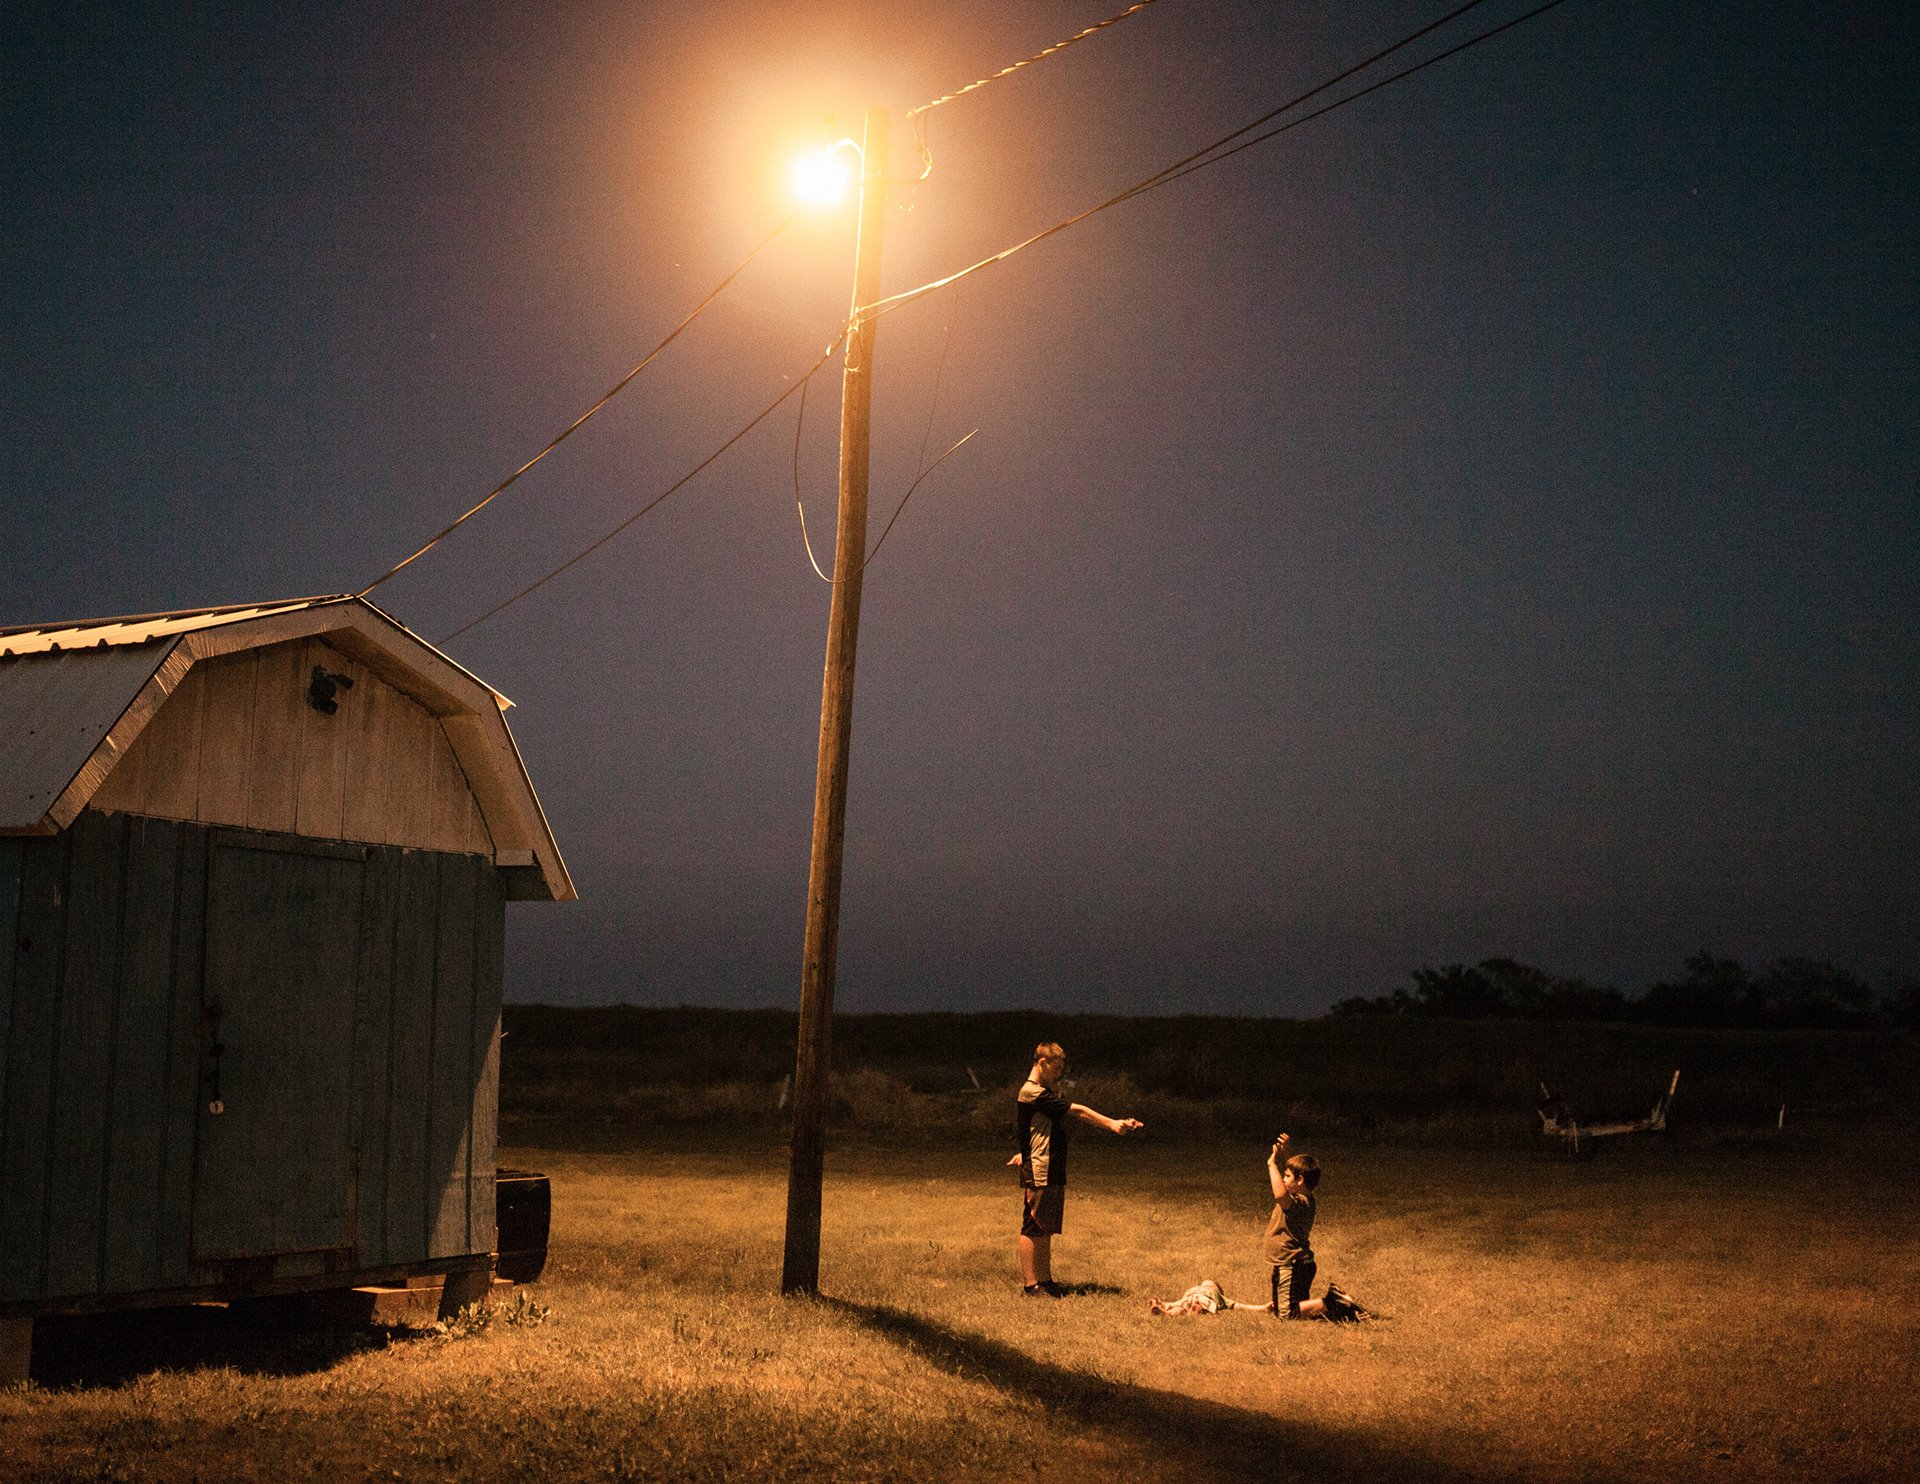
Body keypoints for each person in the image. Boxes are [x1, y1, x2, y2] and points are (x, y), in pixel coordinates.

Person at [1009, 1041, 1144, 1298]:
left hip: (1051, 1165)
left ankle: (1045, 1281)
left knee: (1045, 1227)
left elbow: (1031, 1127)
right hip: (1040, 1166)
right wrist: (1112, 1124)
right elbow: (1078, 1111)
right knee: (1033, 1225)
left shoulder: (1042, 1093)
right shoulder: (1033, 1092)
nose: (1059, 1073)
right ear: (1042, 1062)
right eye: (1056, 1068)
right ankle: (1031, 1285)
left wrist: (1022, 1151)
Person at [1264, 1133, 1370, 1320]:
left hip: (1291, 1264)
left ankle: (1334, 1302)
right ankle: (1335, 1308)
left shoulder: (1297, 1203)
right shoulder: (1305, 1197)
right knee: (1293, 1309)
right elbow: (1297, 1174)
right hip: (1299, 1264)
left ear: (1300, 1181)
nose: (1283, 1179)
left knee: (1286, 1315)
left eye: (1286, 1176)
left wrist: (1272, 1165)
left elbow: (1280, 1195)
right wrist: (1287, 1154)